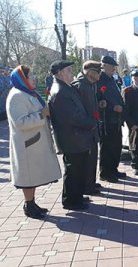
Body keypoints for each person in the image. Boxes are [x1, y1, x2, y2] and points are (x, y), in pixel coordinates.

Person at [6, 65, 61, 219]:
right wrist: (42, 115)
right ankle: (28, 205)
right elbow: (20, 122)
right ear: (22, 79)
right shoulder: (16, 96)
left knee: (33, 176)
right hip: (26, 144)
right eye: (30, 76)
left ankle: (32, 203)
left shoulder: (29, 93)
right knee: (28, 178)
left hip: (34, 143)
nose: (34, 78)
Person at [48, 60, 97, 211]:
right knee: (73, 170)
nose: (71, 73)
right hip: (71, 138)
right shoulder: (60, 91)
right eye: (69, 70)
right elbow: (72, 117)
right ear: (60, 73)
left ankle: (77, 196)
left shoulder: (65, 88)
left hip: (77, 137)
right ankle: (70, 201)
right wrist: (91, 123)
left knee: (79, 168)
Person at [71, 60, 103, 195]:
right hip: (85, 129)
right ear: (90, 73)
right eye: (98, 72)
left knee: (92, 158)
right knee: (87, 159)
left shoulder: (90, 85)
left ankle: (90, 182)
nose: (100, 74)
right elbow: (80, 110)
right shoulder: (80, 86)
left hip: (91, 127)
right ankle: (86, 186)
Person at [97, 55, 126, 183]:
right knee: (107, 147)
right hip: (107, 119)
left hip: (116, 119)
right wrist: (112, 107)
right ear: (104, 66)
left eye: (114, 67)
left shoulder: (111, 80)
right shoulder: (100, 80)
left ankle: (113, 169)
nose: (114, 69)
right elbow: (99, 100)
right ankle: (105, 173)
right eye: (112, 67)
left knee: (116, 147)